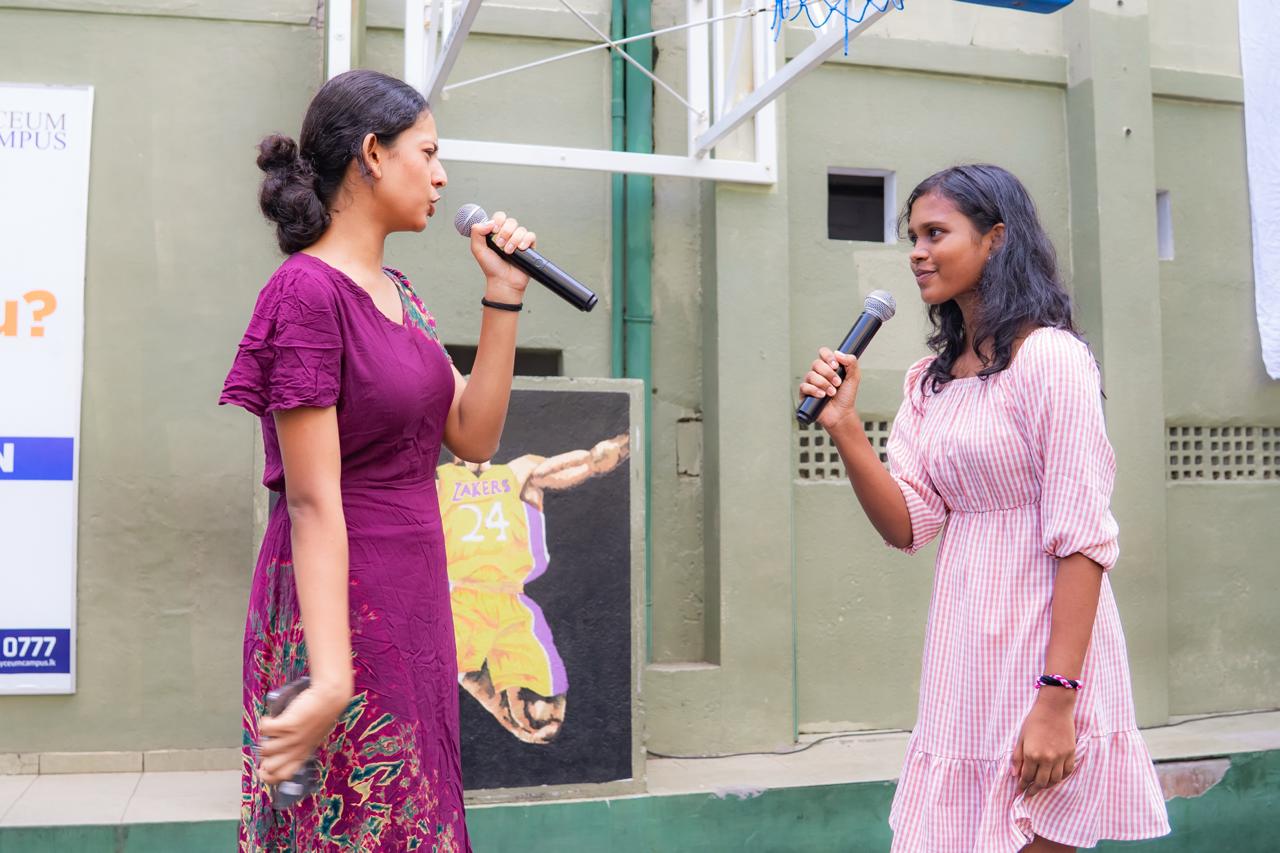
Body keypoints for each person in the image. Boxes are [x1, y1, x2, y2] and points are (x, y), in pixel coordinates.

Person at [798, 164, 1170, 852]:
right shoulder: (928, 382)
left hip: (1045, 653)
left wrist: (1057, 699)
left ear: (996, 239)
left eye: (935, 232)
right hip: (963, 658)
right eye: (912, 235)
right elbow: (909, 525)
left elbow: (1083, 539)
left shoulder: (1051, 360)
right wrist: (846, 428)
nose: (916, 250)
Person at [220, 68, 536, 852]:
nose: (441, 174)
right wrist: (330, 677)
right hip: (337, 606)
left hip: (414, 596)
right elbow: (311, 500)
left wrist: (503, 296)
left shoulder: (401, 293)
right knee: (348, 820)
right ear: (371, 153)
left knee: (411, 817)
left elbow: (474, 435)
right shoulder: (304, 295)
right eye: (426, 152)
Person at [436, 433, 630, 744]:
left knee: (542, 720)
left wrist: (591, 461)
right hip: (460, 602)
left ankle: (508, 710)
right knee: (480, 685)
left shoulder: (517, 471)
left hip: (511, 600)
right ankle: (497, 708)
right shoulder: (437, 480)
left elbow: (551, 472)